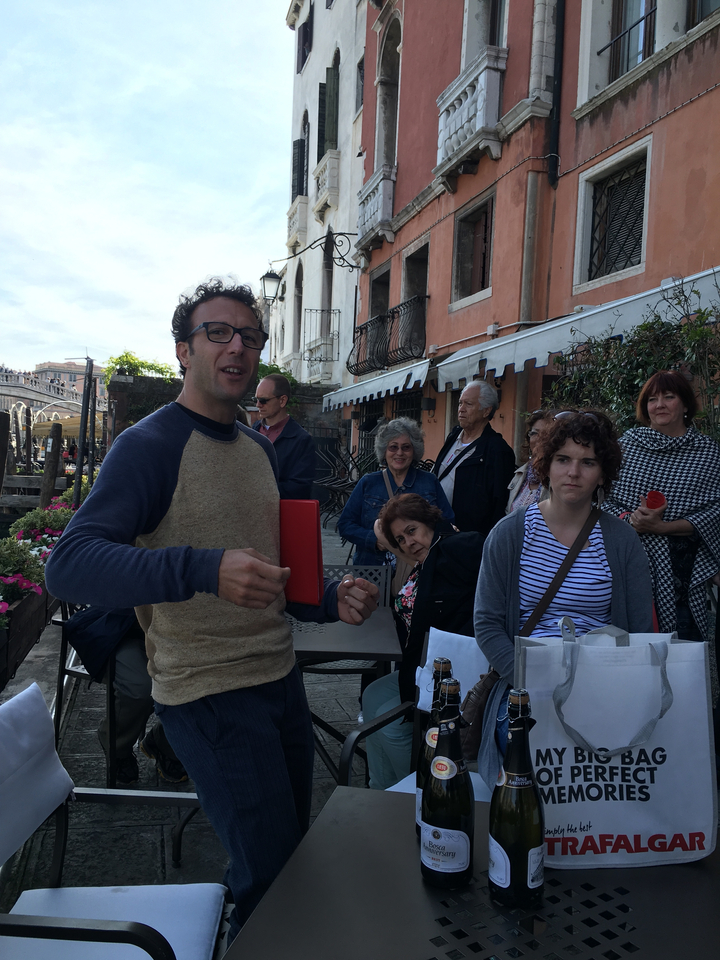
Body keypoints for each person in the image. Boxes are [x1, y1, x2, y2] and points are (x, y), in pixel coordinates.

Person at [45, 276, 378, 939]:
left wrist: (326, 598)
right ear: (183, 350)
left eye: (250, 336)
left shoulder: (259, 449)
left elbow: (269, 570)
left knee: (286, 858)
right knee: (271, 873)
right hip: (206, 691)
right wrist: (202, 567)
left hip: (279, 677)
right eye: (218, 332)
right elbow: (69, 564)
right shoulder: (148, 445)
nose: (237, 347)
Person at [474, 410, 654, 790]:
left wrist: (605, 686)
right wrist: (530, 680)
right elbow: (487, 624)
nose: (573, 472)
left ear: (602, 474)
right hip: (525, 689)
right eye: (563, 459)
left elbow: (639, 630)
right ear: (545, 465)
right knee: (528, 775)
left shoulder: (622, 541)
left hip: (604, 688)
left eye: (587, 462)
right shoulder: (509, 535)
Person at [361, 493, 484, 789]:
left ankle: (421, 788)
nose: (409, 542)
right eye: (401, 539)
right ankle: (381, 788)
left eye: (412, 530)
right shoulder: (424, 560)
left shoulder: (456, 547)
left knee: (390, 726)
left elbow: (488, 567)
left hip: (453, 671)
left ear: (430, 521)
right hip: (421, 665)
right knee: (372, 696)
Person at [602, 370, 720, 641]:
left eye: (669, 397)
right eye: (652, 399)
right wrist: (630, 519)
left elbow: (715, 512)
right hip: (626, 562)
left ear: (686, 404)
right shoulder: (626, 447)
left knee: (681, 651)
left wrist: (663, 527)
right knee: (627, 645)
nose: (660, 405)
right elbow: (602, 499)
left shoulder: (707, 452)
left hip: (682, 574)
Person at [338, 417, 453, 566]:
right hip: (374, 569)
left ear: (414, 451)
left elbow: (448, 521)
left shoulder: (429, 482)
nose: (399, 453)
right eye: (393, 447)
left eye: (406, 447)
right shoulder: (368, 483)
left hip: (418, 567)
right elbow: (345, 524)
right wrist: (374, 539)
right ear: (384, 450)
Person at [433, 380, 516, 536]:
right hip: (438, 527)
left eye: (468, 404)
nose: (461, 409)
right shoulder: (454, 435)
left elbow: (499, 502)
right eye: (460, 403)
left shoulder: (497, 450)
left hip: (468, 535)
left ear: (486, 411)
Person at [251, 374, 316, 500]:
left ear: (282, 401)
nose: (258, 405)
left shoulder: (301, 440)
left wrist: (258, 490)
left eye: (263, 400)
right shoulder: (253, 430)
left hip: (280, 509)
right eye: (256, 399)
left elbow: (299, 488)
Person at [506, 408, 558, 513]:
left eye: (546, 434)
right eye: (535, 433)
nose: (539, 439)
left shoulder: (561, 477)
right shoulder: (520, 475)